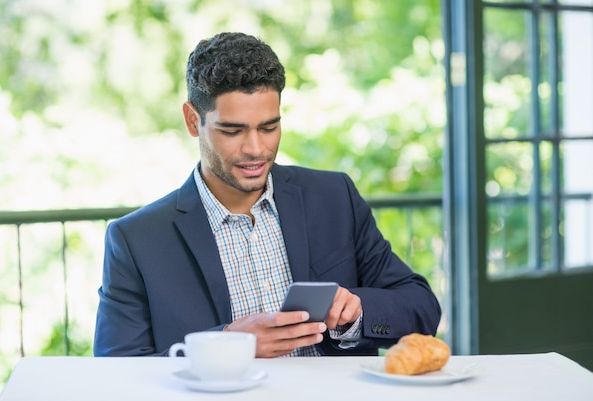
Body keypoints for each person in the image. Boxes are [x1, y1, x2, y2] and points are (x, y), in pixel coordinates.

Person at [93, 32, 441, 358]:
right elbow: (117, 369)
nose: (256, 149)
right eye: (233, 130)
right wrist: (228, 344)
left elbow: (421, 308)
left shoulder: (334, 198)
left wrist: (358, 311)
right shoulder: (137, 240)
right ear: (192, 120)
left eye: (269, 127)